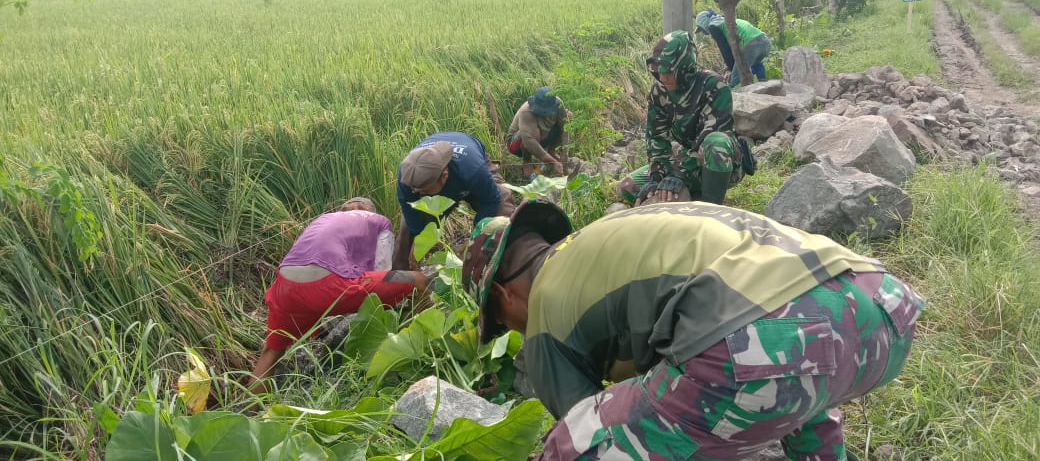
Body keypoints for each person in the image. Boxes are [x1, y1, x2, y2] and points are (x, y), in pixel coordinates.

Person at [462, 199, 924, 460]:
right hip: (880, 312)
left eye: (501, 323)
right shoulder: (606, 238)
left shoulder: (544, 310)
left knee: (570, 445)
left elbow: (595, 432)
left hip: (769, 340)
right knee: (794, 364)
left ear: (503, 295)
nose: (516, 331)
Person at [250, 197, 430, 394]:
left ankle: (249, 408)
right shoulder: (380, 223)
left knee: (271, 352)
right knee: (417, 279)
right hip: (328, 284)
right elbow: (382, 272)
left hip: (285, 286)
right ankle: (426, 342)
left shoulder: (322, 220)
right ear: (372, 211)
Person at [641, 30, 743, 206]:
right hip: (686, 159)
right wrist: (657, 176)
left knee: (716, 142)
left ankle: (710, 208)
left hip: (718, 161)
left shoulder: (714, 85)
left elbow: (712, 134)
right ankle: (688, 194)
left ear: (684, 68)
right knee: (628, 187)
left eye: (669, 72)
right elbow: (656, 138)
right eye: (658, 72)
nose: (662, 77)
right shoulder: (659, 91)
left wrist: (680, 173)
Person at [394, 131, 515, 270]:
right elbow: (408, 206)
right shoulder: (408, 173)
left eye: (425, 191)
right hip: (435, 177)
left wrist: (475, 238)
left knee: (503, 203)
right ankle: (400, 276)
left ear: (445, 176)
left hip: (470, 175)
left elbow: (492, 199)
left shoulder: (473, 169)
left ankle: (502, 266)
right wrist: (418, 238)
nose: (421, 194)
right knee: (406, 232)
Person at [505, 86, 572, 179]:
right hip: (516, 143)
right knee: (533, 133)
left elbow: (565, 128)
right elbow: (529, 140)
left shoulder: (558, 104)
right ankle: (527, 160)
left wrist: (565, 155)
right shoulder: (526, 111)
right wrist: (553, 162)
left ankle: (551, 152)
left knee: (566, 118)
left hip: (543, 137)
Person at [695, 9, 773, 87]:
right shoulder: (728, 20)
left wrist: (731, 68)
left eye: (701, 29)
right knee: (755, 64)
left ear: (704, 23)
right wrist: (730, 67)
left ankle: (731, 93)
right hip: (765, 42)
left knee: (735, 80)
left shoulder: (713, 26)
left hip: (752, 45)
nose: (703, 32)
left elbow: (725, 49)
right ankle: (764, 84)